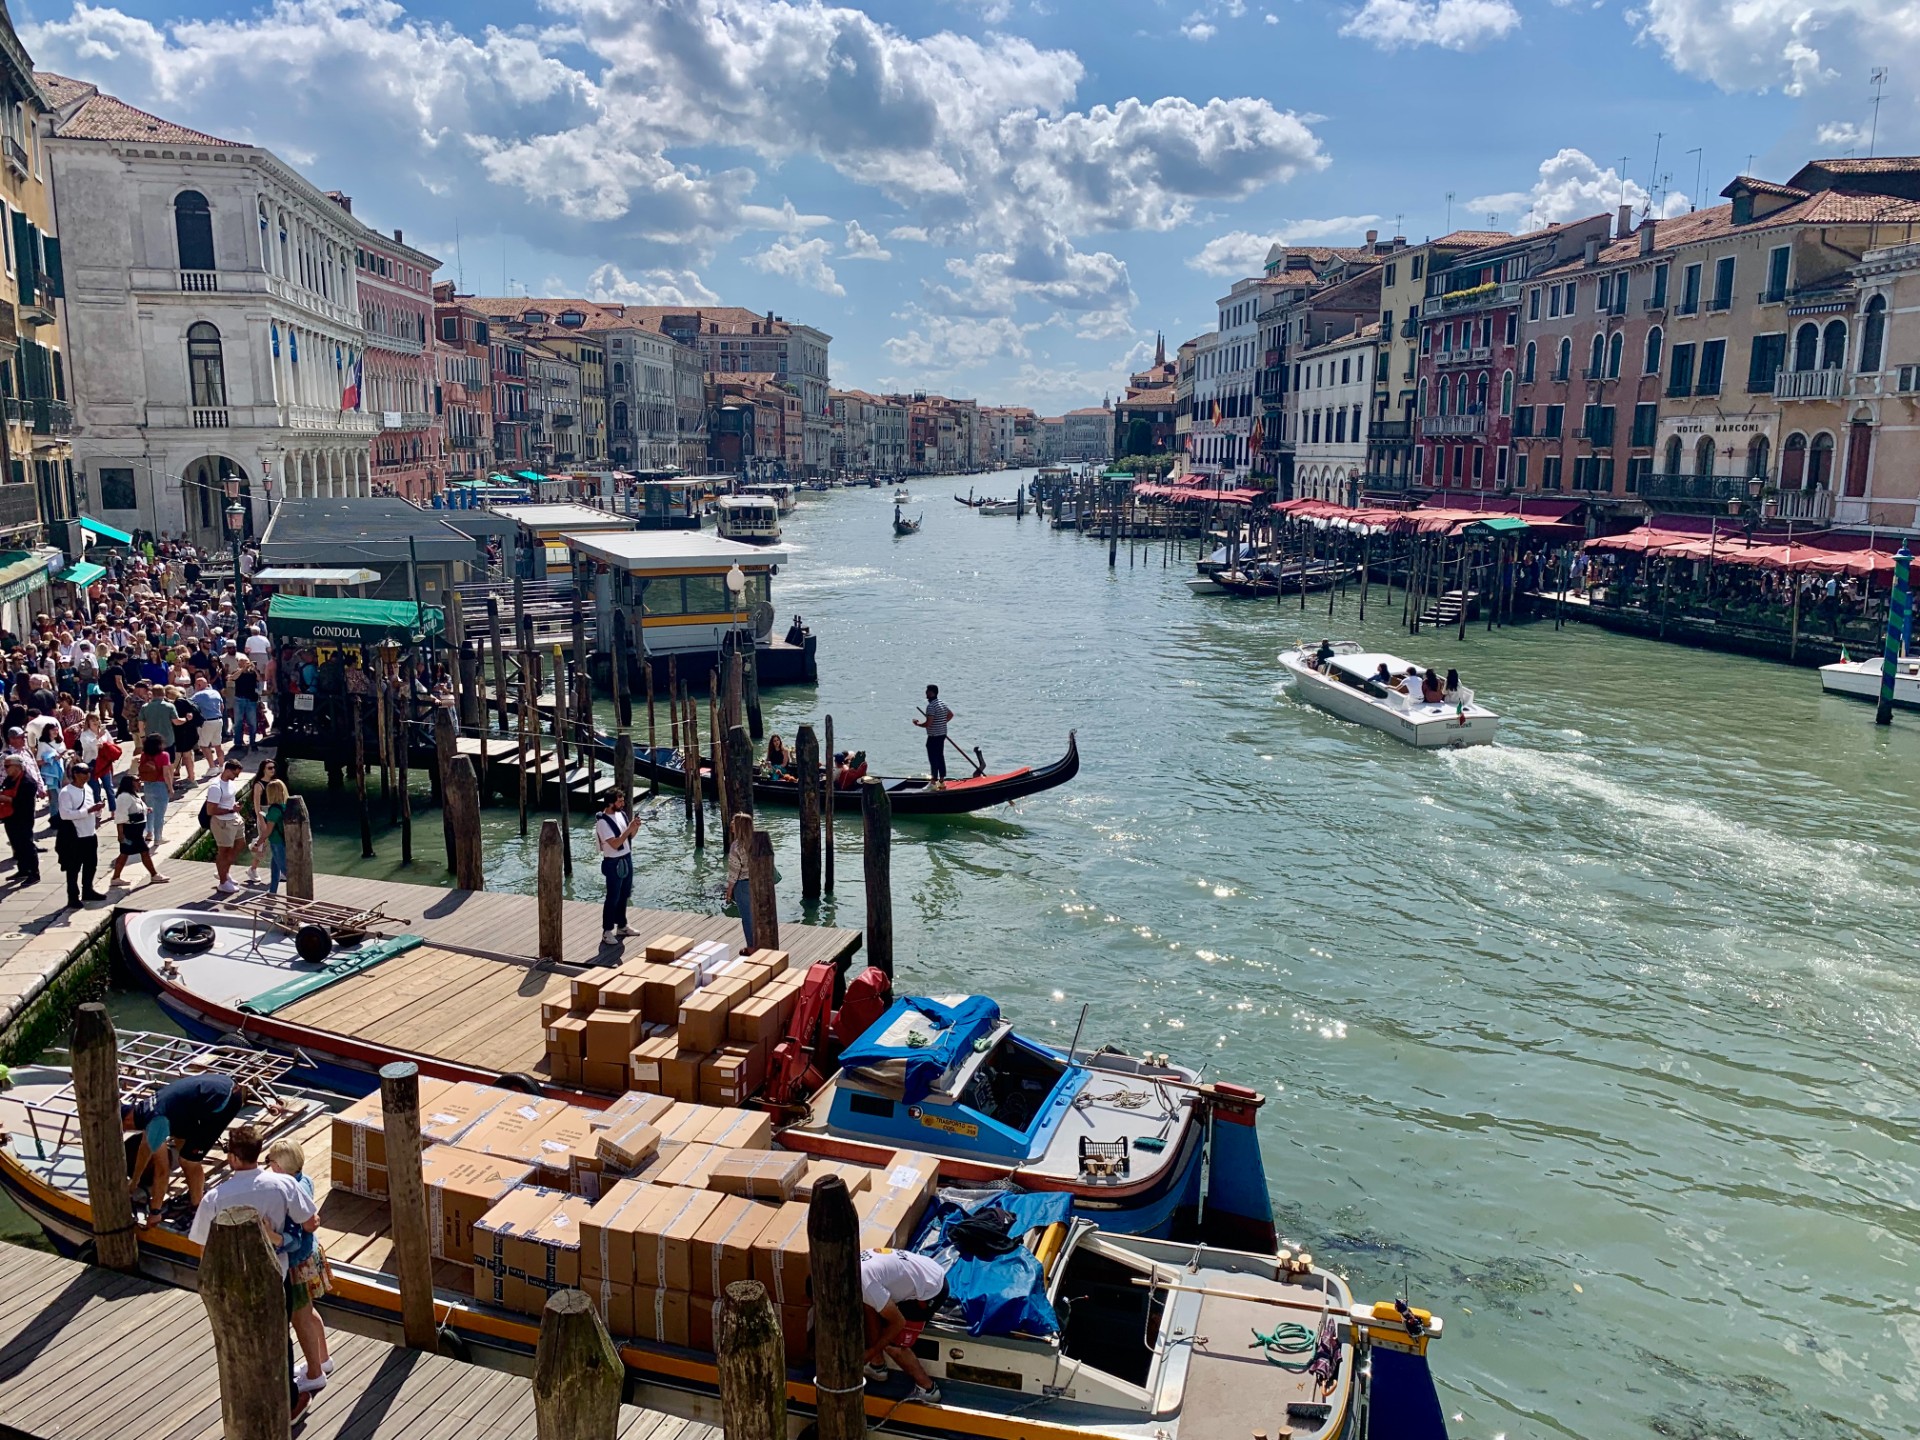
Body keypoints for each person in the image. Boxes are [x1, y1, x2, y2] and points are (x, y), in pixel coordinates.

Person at [186, 1125, 318, 1423]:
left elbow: (202, 1246)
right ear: (260, 1152)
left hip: (232, 1280)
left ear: (232, 1157)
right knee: (278, 1337)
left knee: (236, 1340)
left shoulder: (215, 1198)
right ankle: (289, 1402)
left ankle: (246, 1404)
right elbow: (310, 1221)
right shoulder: (283, 1185)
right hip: (275, 1273)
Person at [126, 1071, 248, 1217]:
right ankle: (195, 1189)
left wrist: (155, 1211)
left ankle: (198, 1208)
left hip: (225, 1100)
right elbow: (145, 1149)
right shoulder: (145, 1109)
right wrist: (134, 1181)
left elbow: (162, 1171)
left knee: (188, 1161)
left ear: (126, 1122)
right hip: (219, 1084)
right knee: (180, 1141)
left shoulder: (156, 1121)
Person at [266, 1137, 332, 1394]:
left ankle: (315, 1374)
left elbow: (292, 1240)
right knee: (310, 1312)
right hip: (310, 1255)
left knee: (300, 1318)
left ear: (279, 1167)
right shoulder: (305, 1181)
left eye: (270, 1161)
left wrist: (271, 1236)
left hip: (295, 1264)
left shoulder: (286, 1193)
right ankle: (324, 1360)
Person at [859, 1245, 948, 1404]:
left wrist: (871, 1352)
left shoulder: (866, 1284)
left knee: (894, 1345)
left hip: (930, 1290)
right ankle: (877, 1367)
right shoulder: (855, 1266)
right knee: (868, 1305)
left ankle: (927, 1388)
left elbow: (898, 1323)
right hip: (925, 1270)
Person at [594, 790, 642, 947]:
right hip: (613, 862)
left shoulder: (621, 815)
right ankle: (607, 931)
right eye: (620, 801)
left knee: (624, 895)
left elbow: (629, 837)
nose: (623, 804)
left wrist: (634, 827)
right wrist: (629, 829)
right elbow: (614, 844)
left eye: (623, 801)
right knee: (612, 897)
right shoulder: (602, 822)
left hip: (626, 858)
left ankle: (622, 926)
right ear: (610, 803)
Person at [55, 760, 105, 908]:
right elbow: (65, 814)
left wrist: (97, 810)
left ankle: (88, 890)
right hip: (74, 836)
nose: (87, 775)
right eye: (84, 773)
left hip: (90, 833)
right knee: (73, 868)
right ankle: (73, 896)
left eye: (88, 772)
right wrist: (88, 811)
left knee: (91, 864)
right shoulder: (66, 792)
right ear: (75, 774)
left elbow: (88, 807)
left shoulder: (87, 788)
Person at [109, 771, 167, 887]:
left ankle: (116, 877)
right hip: (130, 831)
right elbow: (120, 817)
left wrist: (147, 810)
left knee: (124, 854)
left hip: (137, 830)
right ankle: (154, 874)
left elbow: (138, 808)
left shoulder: (133, 795)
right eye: (137, 781)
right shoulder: (124, 797)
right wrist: (121, 835)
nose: (140, 783)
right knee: (144, 852)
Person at [207, 757, 247, 894]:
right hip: (222, 822)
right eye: (235, 774)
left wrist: (234, 808)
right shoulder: (215, 787)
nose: (237, 777)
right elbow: (210, 810)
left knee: (240, 844)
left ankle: (224, 871)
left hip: (234, 819)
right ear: (228, 770)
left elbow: (229, 800)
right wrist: (230, 810)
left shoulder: (230, 783)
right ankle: (223, 882)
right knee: (223, 852)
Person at [0, 752, 38, 884]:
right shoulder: (9, 779)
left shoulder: (28, 782)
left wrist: (5, 798)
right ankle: (23, 870)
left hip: (23, 817)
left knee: (27, 845)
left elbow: (23, 802)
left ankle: (34, 873)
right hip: (10, 817)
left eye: (7, 766)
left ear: (17, 767)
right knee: (16, 845)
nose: (5, 769)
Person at [725, 812, 755, 950]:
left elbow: (733, 873)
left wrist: (729, 892)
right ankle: (762, 943)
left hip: (743, 885)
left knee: (747, 918)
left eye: (733, 822)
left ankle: (751, 947)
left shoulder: (736, 846)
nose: (731, 824)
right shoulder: (757, 842)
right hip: (758, 884)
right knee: (758, 916)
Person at [913, 684, 953, 789]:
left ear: (932, 693)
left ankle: (933, 782)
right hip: (942, 734)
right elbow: (950, 715)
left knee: (933, 758)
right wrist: (941, 723)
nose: (926, 693)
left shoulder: (931, 706)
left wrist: (917, 724)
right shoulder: (942, 703)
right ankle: (942, 780)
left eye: (927, 691)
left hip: (934, 736)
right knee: (940, 756)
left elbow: (928, 723)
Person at [257, 773, 290, 894]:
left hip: (277, 842)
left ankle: (297, 892)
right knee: (274, 869)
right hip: (284, 840)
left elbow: (268, 830)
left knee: (284, 870)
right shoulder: (285, 806)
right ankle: (272, 891)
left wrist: (258, 843)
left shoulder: (274, 809)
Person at [137, 732, 172, 847]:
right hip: (160, 785)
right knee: (160, 814)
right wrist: (170, 788)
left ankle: (149, 833)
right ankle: (158, 838)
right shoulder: (164, 755)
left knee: (150, 811)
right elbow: (166, 774)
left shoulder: (144, 755)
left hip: (147, 785)